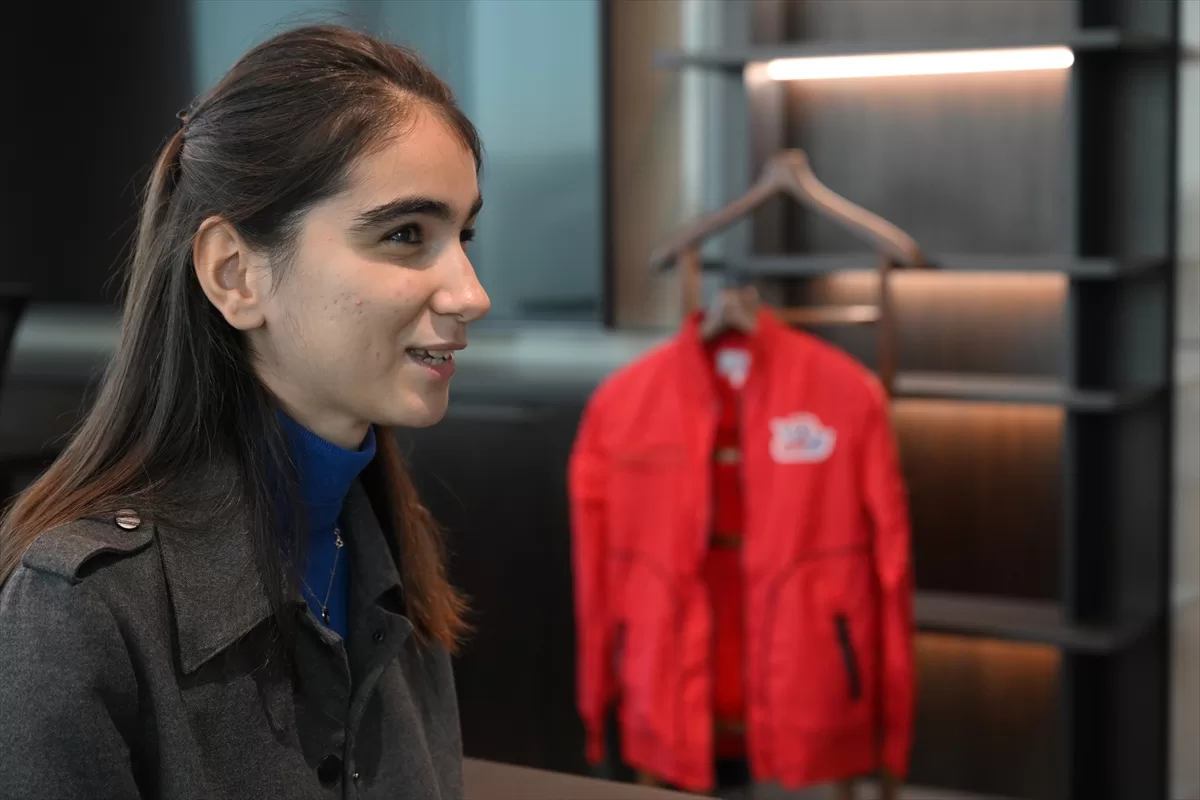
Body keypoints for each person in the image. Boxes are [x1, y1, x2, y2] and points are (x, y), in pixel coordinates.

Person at [0, 24, 489, 799]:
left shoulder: (388, 548)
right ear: (234, 274)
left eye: (462, 235)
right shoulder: (80, 609)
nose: (471, 293)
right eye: (405, 234)